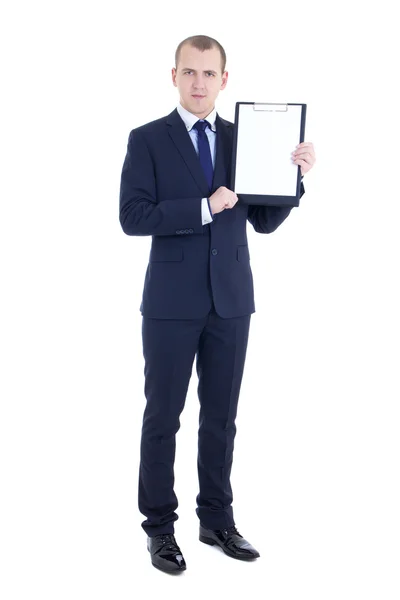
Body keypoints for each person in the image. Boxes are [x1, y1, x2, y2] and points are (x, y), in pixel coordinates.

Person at [119, 34, 316, 574]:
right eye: (190, 73)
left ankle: (217, 521)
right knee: (163, 417)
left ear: (224, 80)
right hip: (170, 304)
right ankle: (160, 528)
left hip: (231, 301)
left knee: (222, 418)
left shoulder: (243, 139)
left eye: (209, 74)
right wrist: (203, 209)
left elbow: (263, 220)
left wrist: (295, 177)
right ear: (174, 76)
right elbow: (132, 217)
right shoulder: (148, 140)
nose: (199, 83)